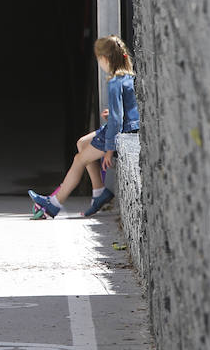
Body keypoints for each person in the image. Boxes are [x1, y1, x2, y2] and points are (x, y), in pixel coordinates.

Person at [28, 36, 141, 219]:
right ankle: (99, 192)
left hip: (118, 131)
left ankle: (54, 204)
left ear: (105, 59)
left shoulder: (114, 82)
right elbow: (125, 110)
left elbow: (116, 119)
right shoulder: (128, 77)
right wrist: (111, 115)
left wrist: (109, 150)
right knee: (82, 143)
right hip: (128, 127)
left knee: (79, 160)